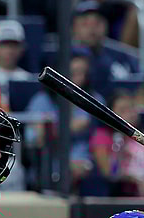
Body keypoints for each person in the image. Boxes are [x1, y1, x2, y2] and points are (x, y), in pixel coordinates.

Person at [26, 48, 102, 191]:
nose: (79, 78)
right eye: (74, 73)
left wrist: (55, 128)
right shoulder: (41, 101)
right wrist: (66, 128)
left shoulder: (94, 100)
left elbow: (100, 136)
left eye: (82, 73)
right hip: (50, 166)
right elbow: (36, 139)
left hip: (87, 167)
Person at [86, 90, 144, 197]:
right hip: (120, 192)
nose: (130, 113)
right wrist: (134, 179)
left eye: (132, 108)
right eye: (123, 110)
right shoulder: (102, 137)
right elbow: (108, 173)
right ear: (111, 114)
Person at [72, 1, 138, 95]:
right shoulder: (63, 57)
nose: (92, 29)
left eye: (97, 23)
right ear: (74, 27)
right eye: (85, 23)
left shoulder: (122, 56)